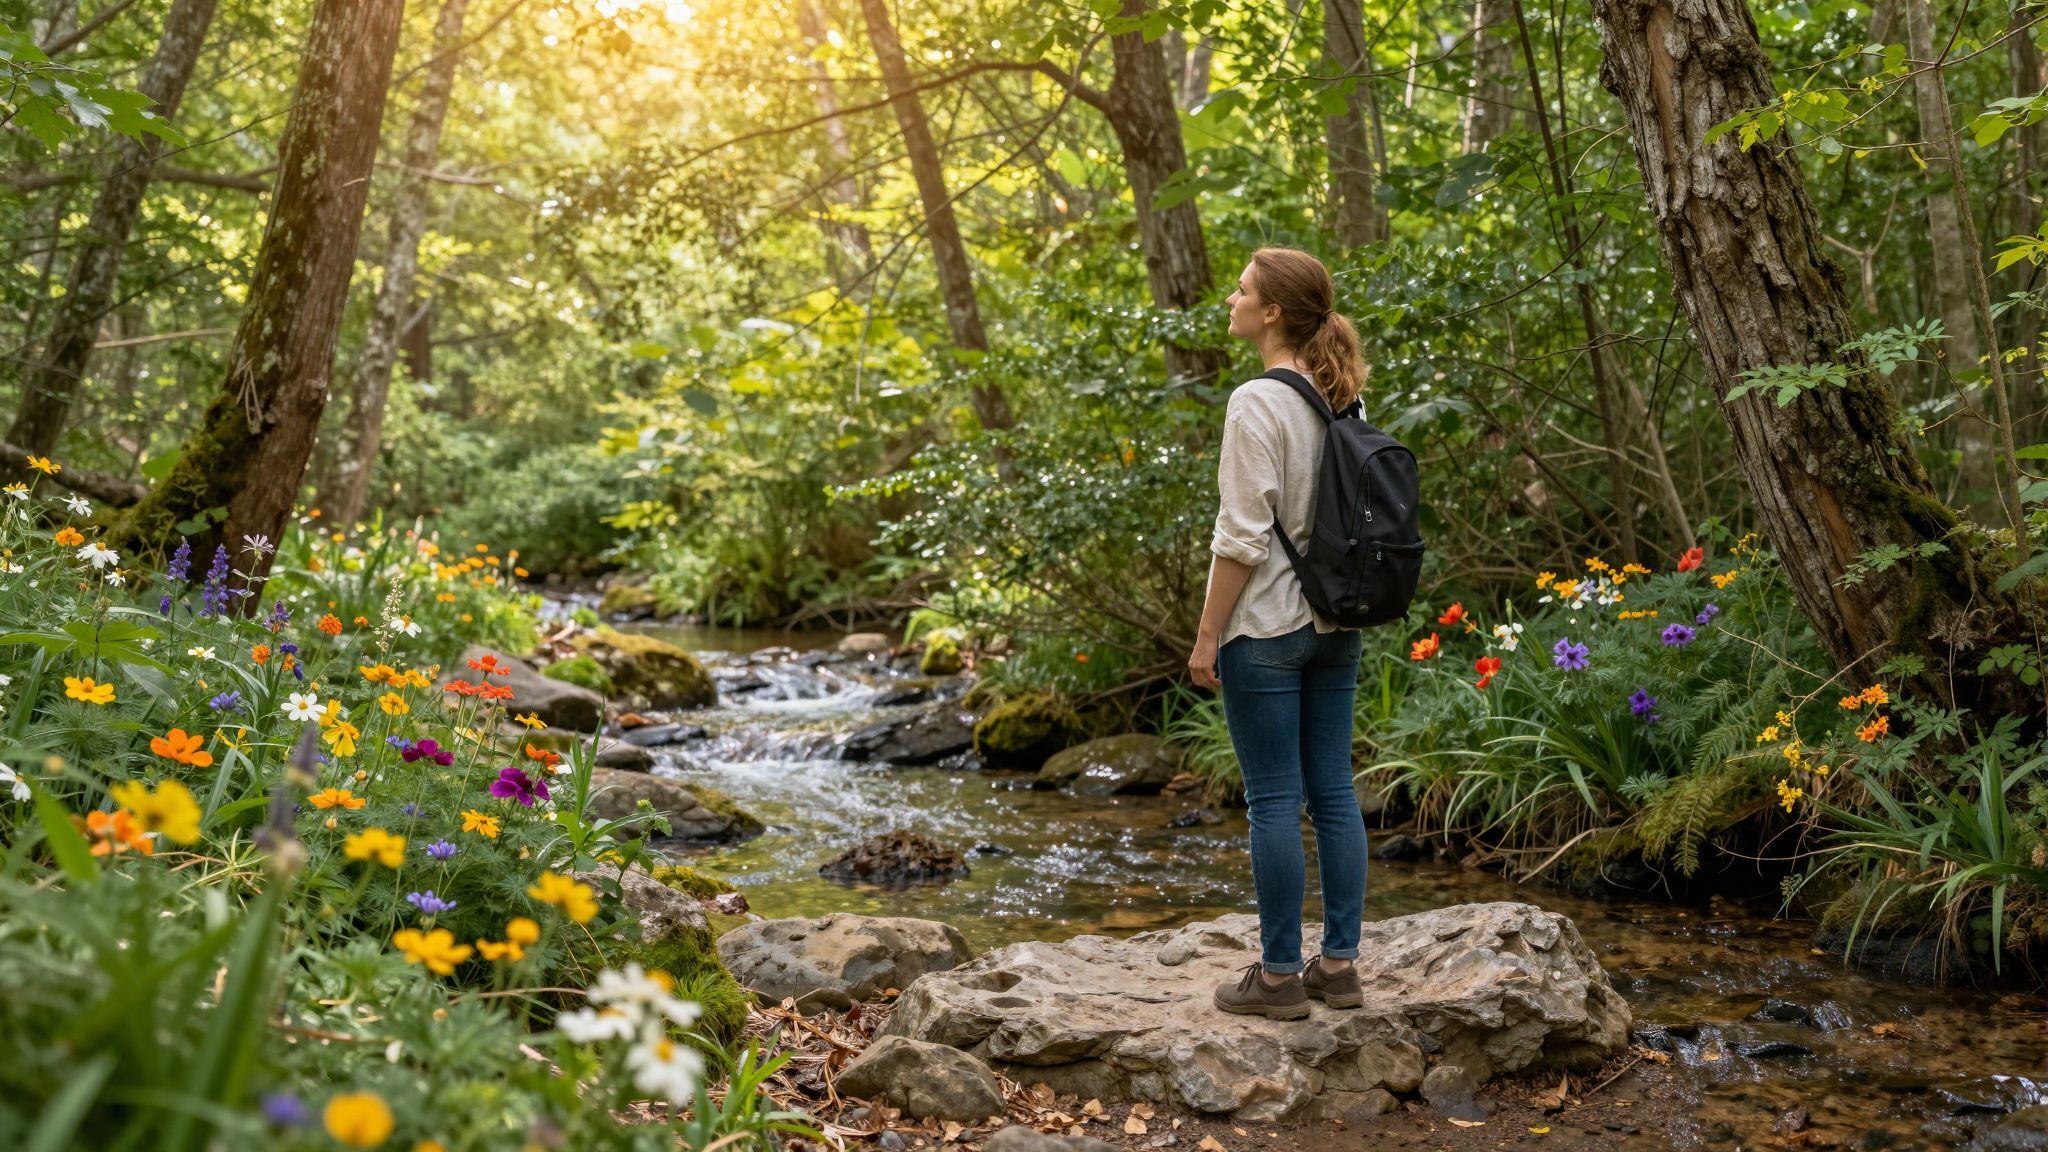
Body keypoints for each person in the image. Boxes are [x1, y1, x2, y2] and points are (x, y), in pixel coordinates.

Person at [1187, 246, 1369, 1021]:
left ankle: (1279, 976)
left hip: (1264, 629)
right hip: (1337, 624)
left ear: (1270, 314)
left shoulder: (1254, 402)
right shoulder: (1344, 398)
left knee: (1271, 801)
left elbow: (1241, 538)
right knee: (1332, 792)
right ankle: (1341, 966)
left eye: (1242, 290)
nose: (1230, 298)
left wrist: (1205, 639)